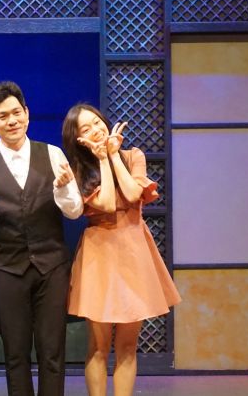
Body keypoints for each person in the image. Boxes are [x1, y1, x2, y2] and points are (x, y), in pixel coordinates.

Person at [0, 81, 83, 396]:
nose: (12, 121)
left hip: (52, 266)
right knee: (15, 354)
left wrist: (62, 188)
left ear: (27, 113)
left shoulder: (53, 154)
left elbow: (75, 211)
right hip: (8, 269)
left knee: (52, 351)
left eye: (17, 112)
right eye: (3, 116)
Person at [61, 103, 181, 396]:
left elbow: (132, 193)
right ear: (78, 139)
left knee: (128, 345)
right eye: (86, 128)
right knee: (98, 346)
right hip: (99, 253)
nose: (95, 130)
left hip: (133, 250)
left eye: (97, 122)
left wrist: (113, 154)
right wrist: (102, 159)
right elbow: (105, 204)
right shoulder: (78, 170)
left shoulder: (132, 156)